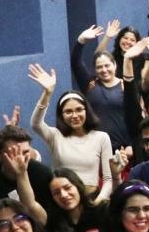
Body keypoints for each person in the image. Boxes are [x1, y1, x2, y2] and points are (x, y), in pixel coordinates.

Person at [28, 63, 115, 200]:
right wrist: (47, 93)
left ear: (86, 111)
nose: (75, 115)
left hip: (93, 199)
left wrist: (98, 202)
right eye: (68, 111)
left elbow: (108, 179)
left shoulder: (101, 138)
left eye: (79, 110)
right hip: (63, 200)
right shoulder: (55, 136)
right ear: (61, 115)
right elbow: (35, 124)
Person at [45, 168, 109, 232]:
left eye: (67, 188)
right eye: (56, 193)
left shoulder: (101, 211)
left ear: (78, 187)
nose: (63, 195)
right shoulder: (53, 224)